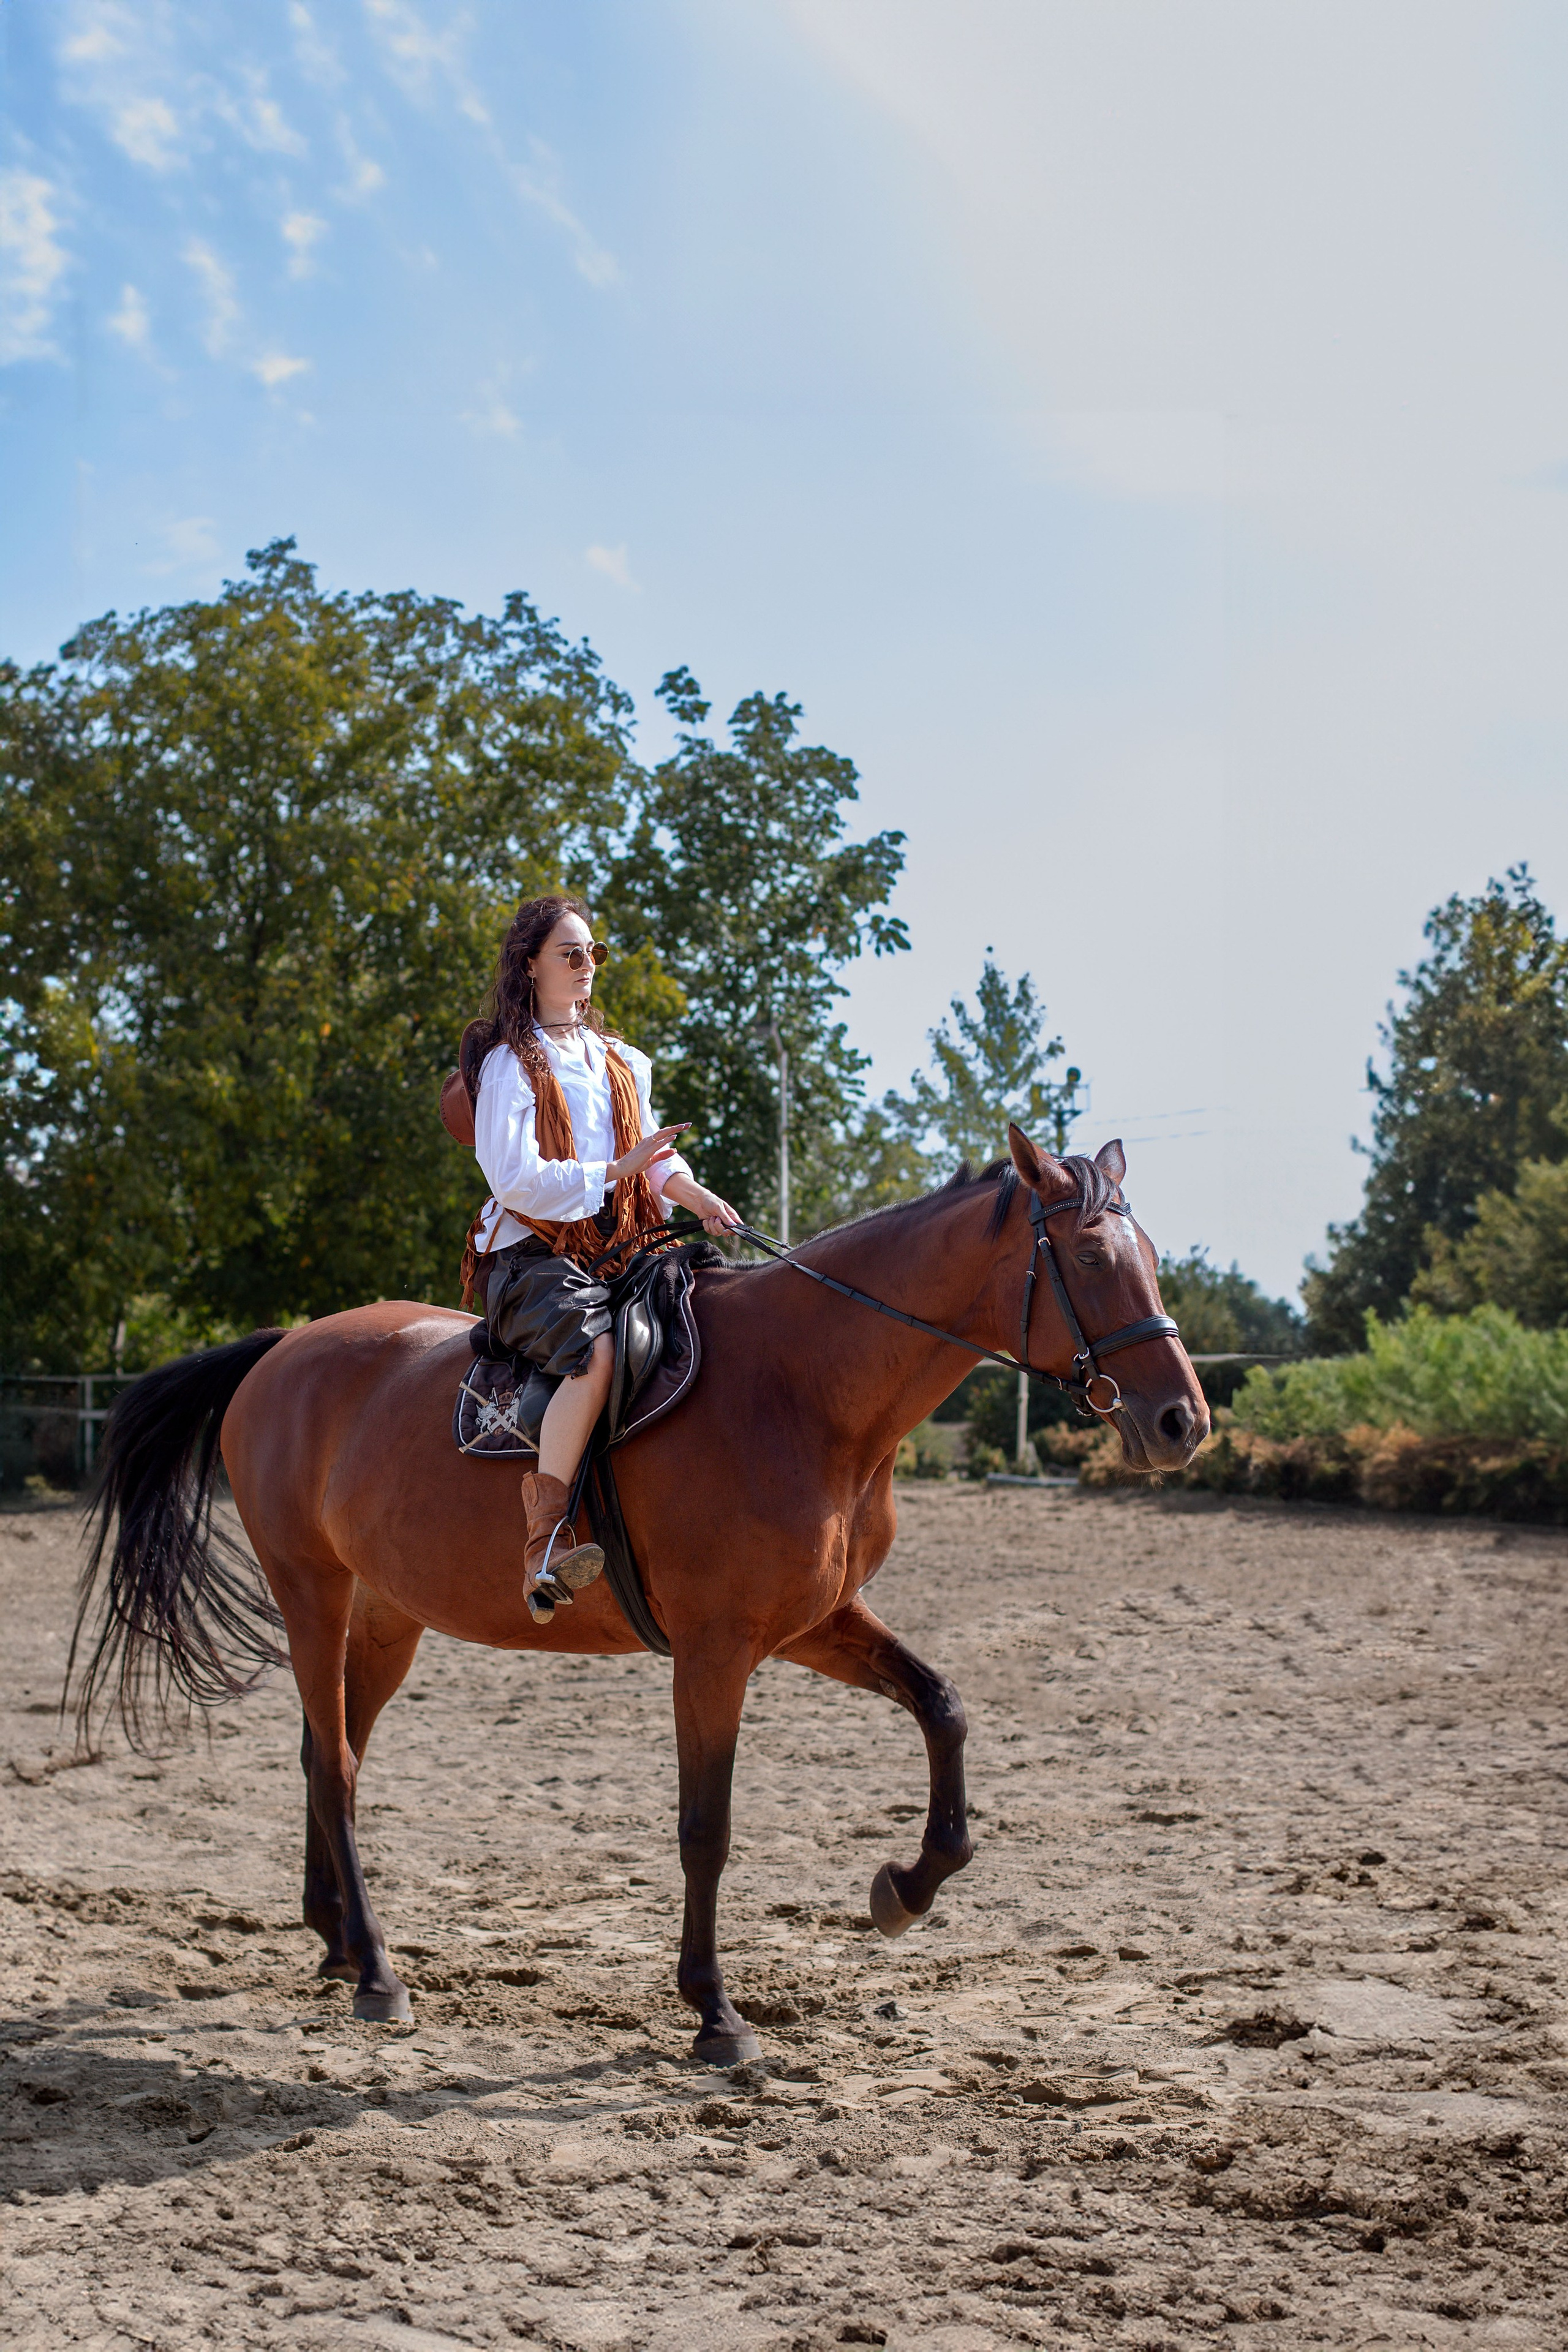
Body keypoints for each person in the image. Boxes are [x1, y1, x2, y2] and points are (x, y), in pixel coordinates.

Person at [464, 894, 741, 1621]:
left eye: (593, 953)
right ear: (530, 967)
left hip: (615, 1250)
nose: (588, 965)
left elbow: (653, 1160)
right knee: (598, 1357)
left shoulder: (621, 1061)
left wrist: (697, 1194)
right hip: (530, 1257)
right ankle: (544, 1542)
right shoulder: (507, 1066)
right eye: (571, 953)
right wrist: (616, 1173)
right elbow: (514, 1179)